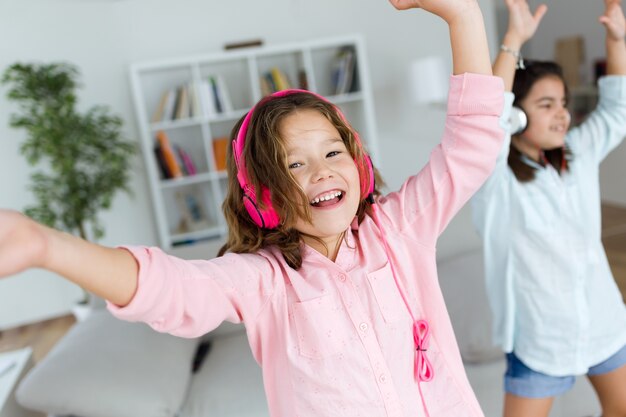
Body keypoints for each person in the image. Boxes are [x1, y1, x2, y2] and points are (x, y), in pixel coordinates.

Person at [0, 0, 505, 415]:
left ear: (359, 165)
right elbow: (171, 290)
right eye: (294, 166)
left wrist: (463, 16)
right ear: (263, 198)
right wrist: (48, 246)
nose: (321, 172)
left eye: (332, 153)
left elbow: (472, 147)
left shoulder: (400, 228)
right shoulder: (264, 281)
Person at [472, 1, 626, 416]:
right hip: (540, 339)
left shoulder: (579, 152)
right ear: (517, 117)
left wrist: (616, 40)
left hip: (604, 323)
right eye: (546, 105)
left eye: (563, 102)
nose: (562, 113)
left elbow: (617, 109)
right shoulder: (495, 181)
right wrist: (512, 41)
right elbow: (487, 123)